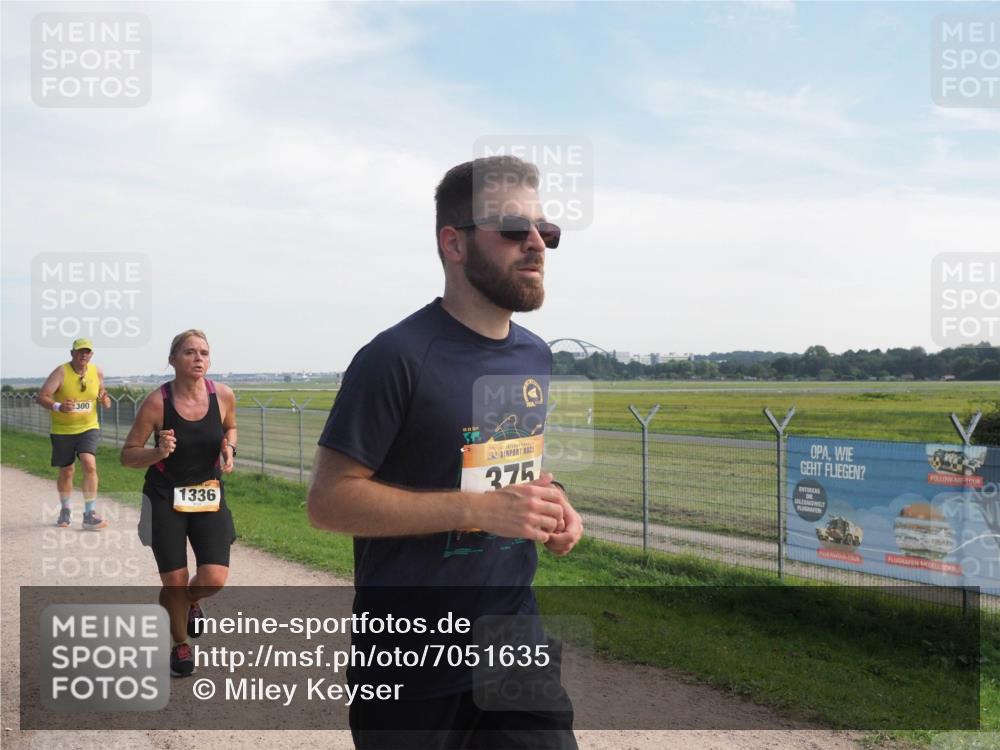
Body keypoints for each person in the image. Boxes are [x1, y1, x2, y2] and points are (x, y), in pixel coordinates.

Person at [307, 155, 584, 749]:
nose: (537, 244)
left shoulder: (535, 354)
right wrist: (477, 511)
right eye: (514, 230)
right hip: (411, 665)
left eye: (547, 232)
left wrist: (552, 499)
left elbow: (507, 466)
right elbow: (329, 502)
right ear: (453, 243)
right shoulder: (395, 357)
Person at [120, 329, 237, 678]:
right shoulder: (157, 403)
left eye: (204, 352)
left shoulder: (224, 396)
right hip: (164, 497)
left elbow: (230, 428)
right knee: (174, 582)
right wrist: (158, 451)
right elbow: (127, 456)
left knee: (213, 577)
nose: (198, 358)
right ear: (173, 360)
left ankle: (190, 601)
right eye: (189, 352)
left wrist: (229, 447)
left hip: (207, 493)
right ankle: (180, 643)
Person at [36, 337, 113, 530]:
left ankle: (89, 514)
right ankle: (65, 509)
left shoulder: (97, 372)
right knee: (67, 471)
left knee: (89, 464)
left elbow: (102, 395)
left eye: (87, 352)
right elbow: (41, 397)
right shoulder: (61, 372)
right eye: (80, 351)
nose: (83, 355)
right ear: (72, 353)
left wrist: (105, 400)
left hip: (88, 427)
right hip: (63, 430)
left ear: (91, 355)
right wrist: (59, 406)